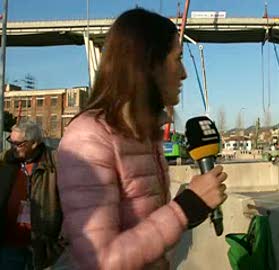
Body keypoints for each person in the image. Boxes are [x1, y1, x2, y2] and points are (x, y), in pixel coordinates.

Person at [56, 8, 228, 269]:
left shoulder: (145, 135)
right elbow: (99, 260)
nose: (184, 73)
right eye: (178, 58)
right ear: (148, 63)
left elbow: (144, 226)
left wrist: (192, 204)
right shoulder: (88, 137)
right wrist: (185, 207)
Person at [0, 119, 64, 270]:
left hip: (43, 248)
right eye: (11, 141)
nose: (13, 148)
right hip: (9, 245)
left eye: (19, 144)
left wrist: (61, 240)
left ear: (34, 143)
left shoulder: (55, 163)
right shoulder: (5, 161)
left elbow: (69, 202)